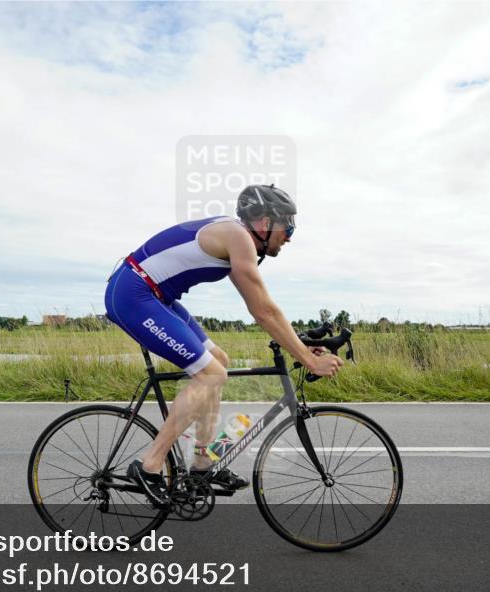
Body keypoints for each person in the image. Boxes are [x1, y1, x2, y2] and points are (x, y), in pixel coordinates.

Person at [104, 184, 344, 508]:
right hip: (134, 295)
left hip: (155, 295)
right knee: (211, 374)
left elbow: (263, 305)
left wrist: (299, 344)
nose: (290, 235)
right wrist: (308, 361)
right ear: (263, 223)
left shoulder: (238, 241)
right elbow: (262, 311)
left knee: (219, 360)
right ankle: (149, 466)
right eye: (288, 226)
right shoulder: (238, 237)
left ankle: (202, 467)